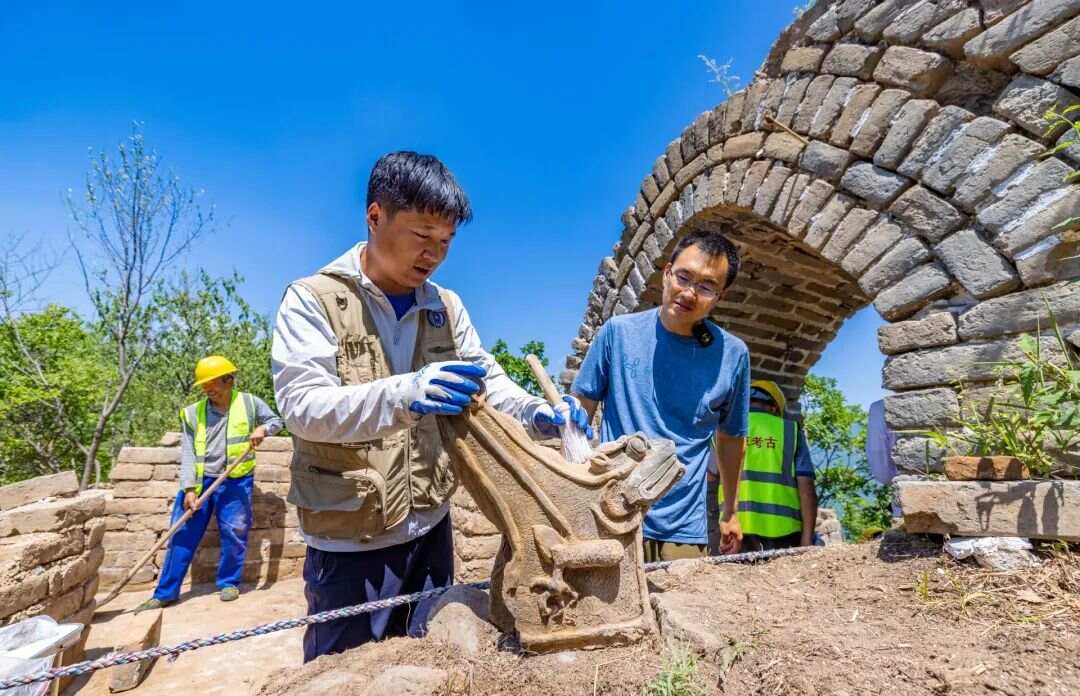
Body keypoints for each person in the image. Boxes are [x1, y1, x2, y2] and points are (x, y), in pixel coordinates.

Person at [271, 151, 591, 662]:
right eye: (422, 237)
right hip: (351, 545)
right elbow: (303, 407)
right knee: (344, 675)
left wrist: (537, 414)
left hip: (431, 533)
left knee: (434, 665)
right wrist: (404, 393)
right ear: (375, 217)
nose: (434, 255)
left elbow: (489, 382)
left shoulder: (445, 307)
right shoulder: (314, 300)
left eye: (445, 242)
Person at [571, 228, 750, 562]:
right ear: (667, 273)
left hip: (682, 529)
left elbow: (731, 437)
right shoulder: (618, 333)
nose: (690, 292)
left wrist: (731, 511)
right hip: (611, 514)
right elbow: (577, 413)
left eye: (706, 286)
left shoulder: (733, 354)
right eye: (684, 277)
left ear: (720, 296)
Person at [135, 355, 283, 611]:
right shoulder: (192, 414)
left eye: (212, 382)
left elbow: (276, 421)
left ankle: (228, 583)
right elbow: (189, 453)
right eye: (204, 384)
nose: (207, 389)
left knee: (234, 531)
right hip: (201, 481)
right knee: (182, 533)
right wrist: (190, 488)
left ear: (229, 380)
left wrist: (263, 431)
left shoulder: (249, 403)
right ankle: (166, 592)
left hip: (236, 480)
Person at [717, 380, 817, 551]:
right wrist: (807, 539)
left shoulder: (725, 430)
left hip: (735, 532)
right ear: (774, 408)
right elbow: (806, 486)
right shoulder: (790, 431)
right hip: (785, 534)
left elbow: (710, 475)